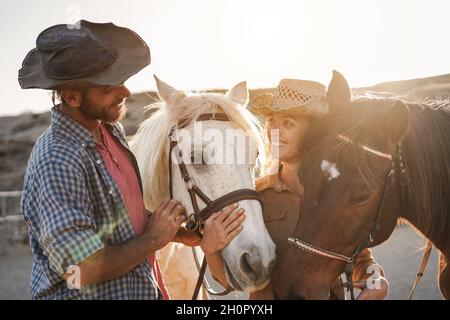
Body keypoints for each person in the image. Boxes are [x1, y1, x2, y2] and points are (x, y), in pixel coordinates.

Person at [18, 20, 243, 300]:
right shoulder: (57, 160)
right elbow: (79, 267)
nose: (125, 93)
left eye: (122, 81)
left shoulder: (110, 131)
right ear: (72, 96)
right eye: (109, 87)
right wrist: (153, 240)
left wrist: (177, 233)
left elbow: (117, 216)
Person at [206, 79, 389, 299]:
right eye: (271, 121)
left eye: (288, 123)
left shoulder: (336, 195)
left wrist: (376, 279)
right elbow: (234, 280)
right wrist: (210, 249)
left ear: (315, 132)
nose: (274, 130)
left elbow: (362, 260)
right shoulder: (255, 197)